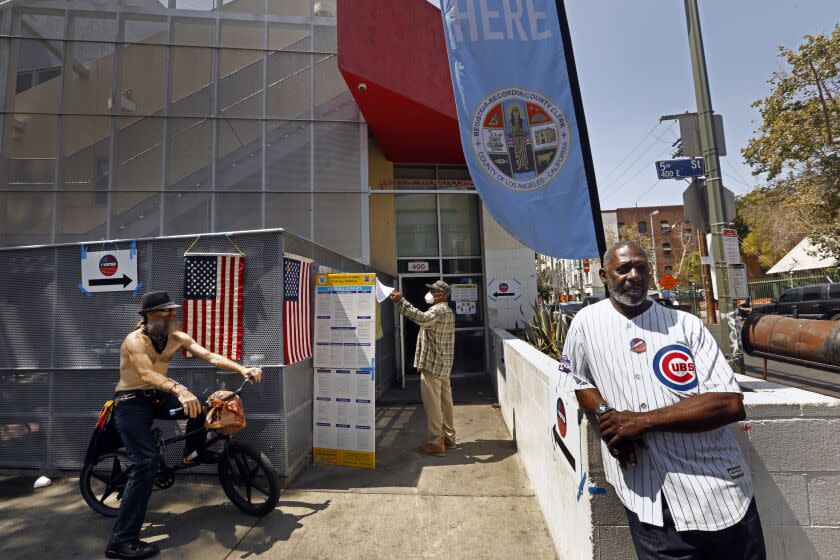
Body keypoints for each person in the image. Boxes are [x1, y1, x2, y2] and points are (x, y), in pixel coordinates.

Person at [559, 242, 765, 560]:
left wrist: (638, 422)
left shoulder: (687, 325)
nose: (634, 275)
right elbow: (577, 381)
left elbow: (729, 404)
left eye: (641, 267)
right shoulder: (585, 324)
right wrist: (607, 417)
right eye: (623, 268)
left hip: (722, 494)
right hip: (651, 502)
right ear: (604, 275)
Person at [106, 291, 262, 560]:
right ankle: (121, 541)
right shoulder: (134, 340)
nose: (173, 315)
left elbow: (210, 356)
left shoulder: (175, 337)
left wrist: (241, 369)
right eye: (166, 311)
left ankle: (196, 450)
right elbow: (145, 373)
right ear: (149, 315)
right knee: (146, 462)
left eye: (173, 310)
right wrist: (180, 389)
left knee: (202, 407)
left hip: (156, 396)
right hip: (130, 401)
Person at [389, 280, 456, 456]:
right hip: (444, 365)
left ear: (441, 295)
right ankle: (449, 438)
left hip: (432, 365)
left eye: (433, 291)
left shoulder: (437, 310)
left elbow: (420, 318)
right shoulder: (448, 311)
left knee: (433, 406)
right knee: (445, 404)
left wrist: (400, 302)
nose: (429, 294)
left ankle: (436, 443)